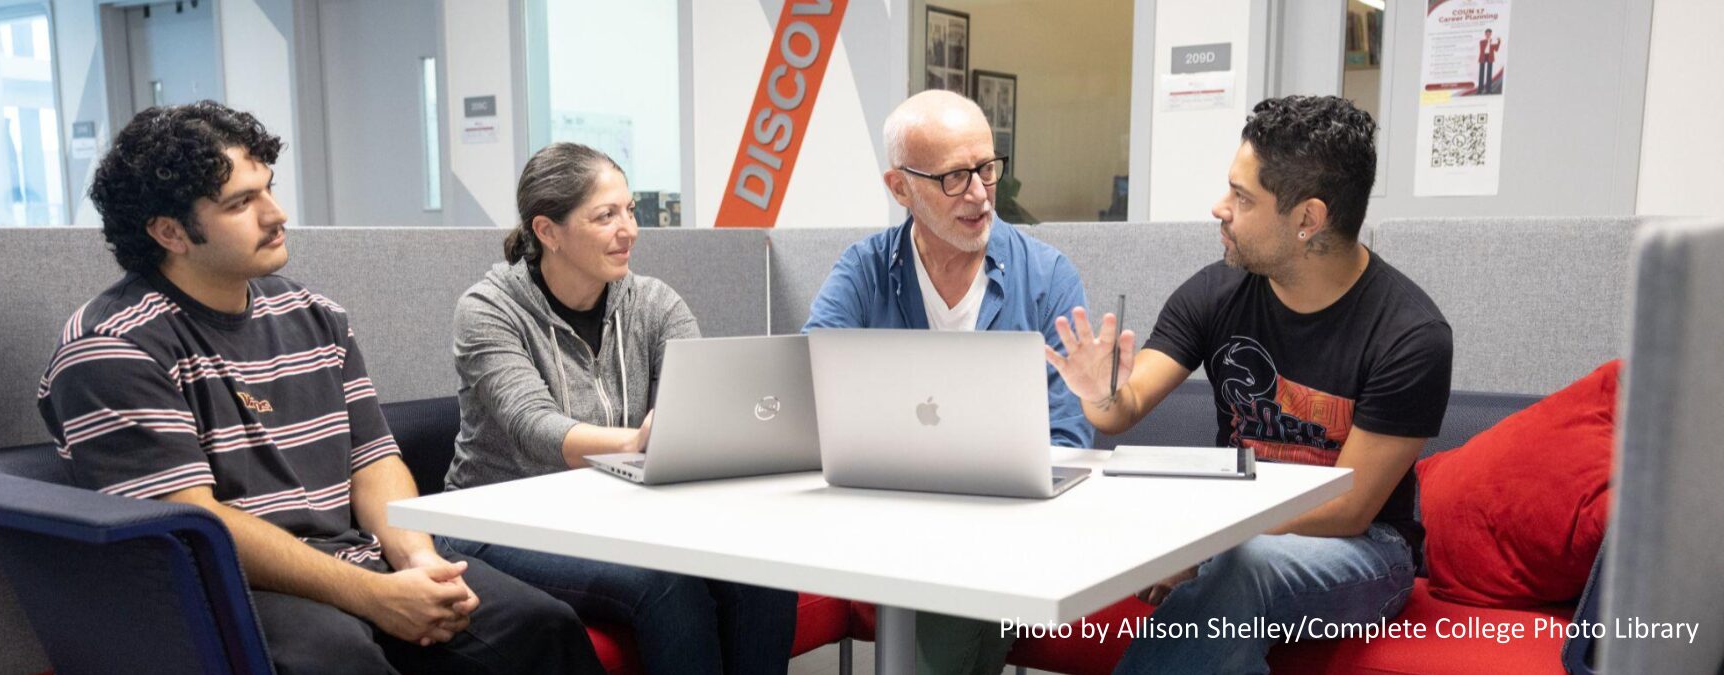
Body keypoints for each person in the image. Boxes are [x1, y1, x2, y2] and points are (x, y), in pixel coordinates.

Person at [39, 101, 604, 675]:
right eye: (241, 203)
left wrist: (415, 558)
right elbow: (194, 523)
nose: (276, 214)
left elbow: (375, 460)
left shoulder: (314, 315)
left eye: (269, 189)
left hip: (356, 555)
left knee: (541, 625)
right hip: (232, 587)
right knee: (341, 659)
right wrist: (374, 596)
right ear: (169, 232)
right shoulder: (112, 345)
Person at [1046, 95, 1453, 674]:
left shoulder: (1410, 334)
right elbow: (1122, 409)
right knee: (1234, 576)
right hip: (1239, 536)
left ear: (1308, 220)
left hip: (1367, 555)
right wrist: (1099, 389)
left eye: (1241, 197)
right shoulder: (1215, 293)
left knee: (1243, 566)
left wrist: (1204, 544)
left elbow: (1347, 507)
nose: (1219, 209)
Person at [439, 142, 798, 675]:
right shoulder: (489, 310)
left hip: (614, 514)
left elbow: (700, 399)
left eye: (629, 210)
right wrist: (634, 443)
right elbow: (533, 425)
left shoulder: (653, 303)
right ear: (548, 231)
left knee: (761, 569)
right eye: (606, 216)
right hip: (499, 521)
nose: (628, 229)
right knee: (665, 584)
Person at [803, 89, 1093, 674]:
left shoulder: (1046, 275)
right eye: (955, 178)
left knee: (954, 590)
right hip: (891, 516)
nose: (981, 194)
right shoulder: (865, 270)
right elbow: (812, 384)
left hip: (1008, 522)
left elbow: (1069, 434)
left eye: (987, 168)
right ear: (899, 188)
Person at [1478, 29, 1502, 94]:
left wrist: (1498, 42)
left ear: (1491, 34)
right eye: (1487, 33)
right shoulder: (1482, 41)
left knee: (1489, 73)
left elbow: (1496, 49)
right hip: (1483, 57)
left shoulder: (1493, 41)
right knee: (1481, 74)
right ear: (1485, 34)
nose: (1488, 34)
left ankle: (1488, 89)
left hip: (1490, 57)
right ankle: (1480, 89)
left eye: (1489, 33)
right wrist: (1489, 41)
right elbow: (1483, 49)